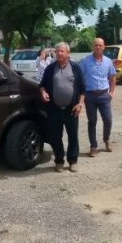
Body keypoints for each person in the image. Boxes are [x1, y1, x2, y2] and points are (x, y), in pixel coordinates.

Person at [39, 42, 85, 173]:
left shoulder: (75, 68)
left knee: (73, 137)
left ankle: (73, 161)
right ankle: (59, 160)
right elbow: (42, 85)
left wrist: (80, 104)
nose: (59, 53)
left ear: (68, 53)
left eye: (62, 51)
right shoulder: (50, 68)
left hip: (72, 109)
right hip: (54, 109)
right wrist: (43, 91)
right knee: (55, 137)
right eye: (57, 51)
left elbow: (83, 88)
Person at [80, 38, 117, 157]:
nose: (98, 47)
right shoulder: (85, 61)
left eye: (100, 45)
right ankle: (93, 146)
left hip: (104, 95)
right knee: (92, 121)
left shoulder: (108, 61)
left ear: (104, 47)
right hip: (90, 95)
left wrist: (111, 92)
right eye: (96, 45)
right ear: (93, 46)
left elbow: (112, 77)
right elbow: (79, 77)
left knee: (108, 119)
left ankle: (106, 139)